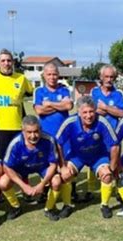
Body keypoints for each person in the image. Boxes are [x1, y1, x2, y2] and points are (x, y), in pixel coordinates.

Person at [56, 96, 120, 219]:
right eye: (85, 112)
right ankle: (67, 205)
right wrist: (63, 166)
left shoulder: (102, 122)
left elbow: (115, 145)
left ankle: (104, 205)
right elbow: (57, 143)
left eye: (91, 111)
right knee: (65, 175)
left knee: (107, 176)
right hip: (77, 156)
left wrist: (112, 167)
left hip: (98, 156)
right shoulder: (70, 122)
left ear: (95, 110)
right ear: (79, 112)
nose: (89, 115)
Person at [0, 115, 63, 221]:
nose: (33, 136)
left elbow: (53, 164)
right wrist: (24, 186)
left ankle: (49, 208)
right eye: (29, 132)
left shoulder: (49, 140)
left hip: (42, 167)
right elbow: (6, 167)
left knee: (56, 181)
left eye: (36, 131)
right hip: (22, 169)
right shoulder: (15, 144)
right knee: (3, 183)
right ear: (22, 131)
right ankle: (16, 207)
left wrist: (43, 184)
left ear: (40, 129)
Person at [33, 63, 73, 203]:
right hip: (45, 134)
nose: (52, 77)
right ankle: (45, 190)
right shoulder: (39, 91)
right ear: (44, 75)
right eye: (49, 74)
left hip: (64, 134)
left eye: (54, 74)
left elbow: (69, 106)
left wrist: (49, 104)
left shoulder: (64, 90)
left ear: (58, 75)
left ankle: (69, 188)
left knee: (66, 161)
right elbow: (39, 111)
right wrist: (59, 106)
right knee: (47, 162)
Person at [88, 64, 123, 202]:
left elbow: (122, 113)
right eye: (106, 76)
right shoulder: (94, 92)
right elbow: (91, 110)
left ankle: (119, 191)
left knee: (116, 163)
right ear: (101, 77)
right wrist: (112, 109)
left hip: (114, 136)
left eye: (112, 77)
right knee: (93, 160)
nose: (109, 79)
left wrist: (105, 107)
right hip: (96, 134)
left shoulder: (118, 94)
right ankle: (90, 190)